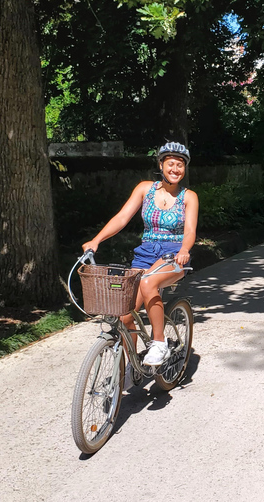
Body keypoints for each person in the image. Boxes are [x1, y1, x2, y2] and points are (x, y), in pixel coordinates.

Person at [82, 141, 199, 366]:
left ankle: (159, 342)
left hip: (174, 256)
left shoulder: (188, 196)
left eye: (180, 165)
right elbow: (121, 218)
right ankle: (132, 365)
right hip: (145, 254)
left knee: (148, 284)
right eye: (171, 164)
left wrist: (184, 249)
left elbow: (190, 231)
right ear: (161, 165)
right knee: (125, 315)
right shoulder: (145, 188)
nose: (176, 169)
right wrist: (96, 240)